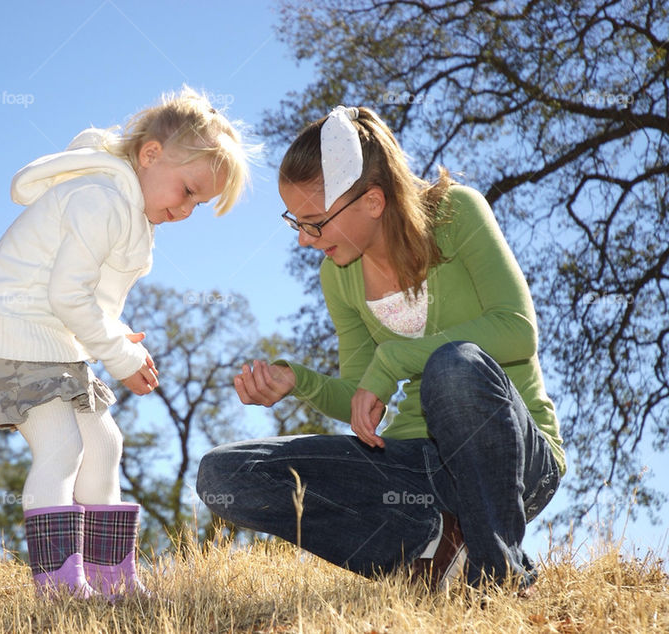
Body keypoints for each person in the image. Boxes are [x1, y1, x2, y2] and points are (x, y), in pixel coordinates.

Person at [196, 105, 565, 594]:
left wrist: (393, 359)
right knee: (226, 472)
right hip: (415, 469)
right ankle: (433, 545)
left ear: (372, 201)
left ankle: (498, 576)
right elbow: (360, 394)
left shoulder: (458, 213)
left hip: (512, 457)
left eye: (316, 222)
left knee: (454, 367)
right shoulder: (339, 275)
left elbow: (518, 331)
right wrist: (297, 381)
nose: (306, 240)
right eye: (296, 223)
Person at [0, 87, 253, 598]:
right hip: (12, 336)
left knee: (105, 443)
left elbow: (85, 296)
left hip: (53, 341)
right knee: (61, 446)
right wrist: (119, 354)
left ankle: (111, 577)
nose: (187, 210)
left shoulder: (127, 210)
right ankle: (59, 586)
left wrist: (115, 335)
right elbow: (68, 294)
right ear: (150, 155)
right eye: (187, 191)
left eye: (198, 204)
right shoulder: (101, 199)